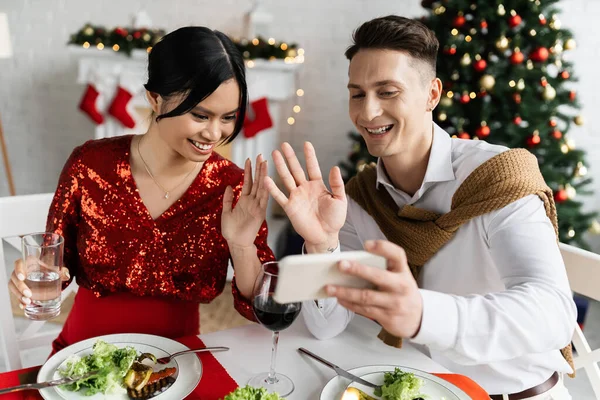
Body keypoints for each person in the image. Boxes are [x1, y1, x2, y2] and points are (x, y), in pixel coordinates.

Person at [264, 16, 576, 399]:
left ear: (432, 94)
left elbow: (553, 313)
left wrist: (423, 314)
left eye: (388, 91)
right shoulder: (361, 197)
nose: (367, 113)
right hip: (425, 389)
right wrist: (323, 243)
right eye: (357, 94)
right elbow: (326, 327)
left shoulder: (499, 178)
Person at [8, 26, 274, 354]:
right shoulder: (90, 164)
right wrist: (34, 280)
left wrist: (242, 245)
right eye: (201, 115)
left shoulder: (230, 186)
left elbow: (259, 305)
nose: (214, 133)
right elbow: (56, 267)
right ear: (154, 98)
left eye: (228, 117)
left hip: (177, 361)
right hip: (83, 354)